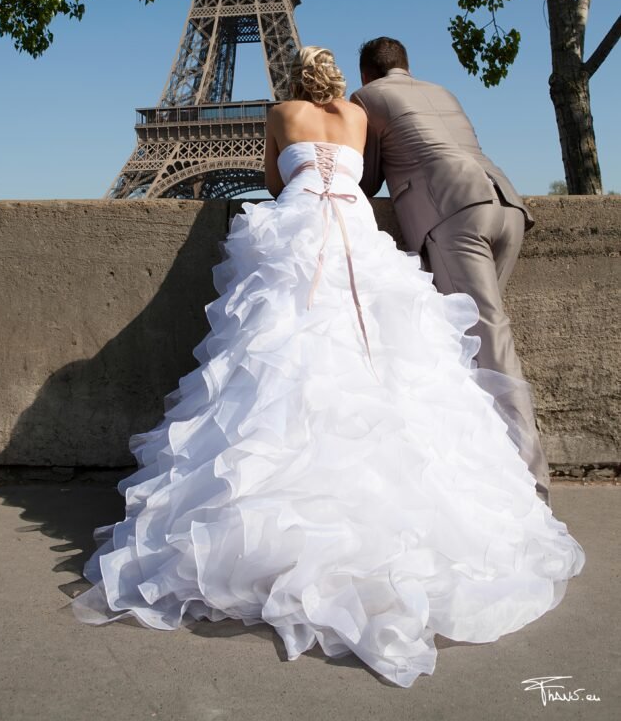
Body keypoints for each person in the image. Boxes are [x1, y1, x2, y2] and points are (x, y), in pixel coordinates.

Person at [73, 45, 584, 688]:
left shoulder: (281, 112)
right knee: (386, 356)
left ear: (294, 76)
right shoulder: (358, 116)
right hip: (359, 227)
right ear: (340, 78)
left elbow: (277, 182)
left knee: (276, 354)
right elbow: (366, 184)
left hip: (300, 229)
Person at [351, 37, 551, 507]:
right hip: (504, 204)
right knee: (466, 345)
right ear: (406, 64)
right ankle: (479, 464)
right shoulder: (442, 91)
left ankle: (532, 483)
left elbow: (368, 178)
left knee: (489, 344)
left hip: (453, 212)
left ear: (365, 74)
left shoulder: (367, 99)